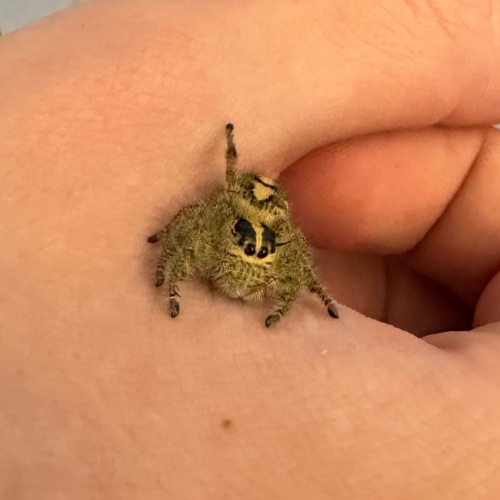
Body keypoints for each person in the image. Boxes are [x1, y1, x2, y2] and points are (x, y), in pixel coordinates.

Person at [1, 0, 500, 497]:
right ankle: (180, 287)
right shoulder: (220, 214)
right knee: (202, 229)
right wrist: (173, 272)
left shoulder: (275, 235)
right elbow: (193, 218)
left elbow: (284, 250)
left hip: (251, 264)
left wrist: (305, 299)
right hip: (240, 262)